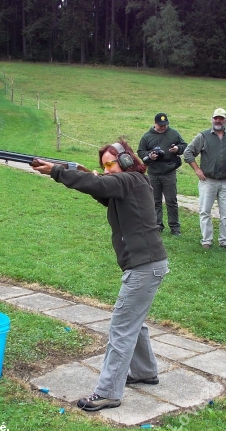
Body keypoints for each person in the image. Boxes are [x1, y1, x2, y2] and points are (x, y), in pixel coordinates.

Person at [32, 140, 169, 411]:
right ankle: (144, 371)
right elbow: (104, 192)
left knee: (121, 328)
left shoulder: (131, 180)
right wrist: (86, 175)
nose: (106, 169)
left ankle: (108, 392)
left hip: (144, 267)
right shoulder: (127, 184)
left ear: (127, 161)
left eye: (110, 163)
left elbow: (102, 185)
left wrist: (59, 172)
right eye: (103, 165)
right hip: (147, 265)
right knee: (133, 323)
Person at [183, 108, 226, 251]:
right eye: (215, 118)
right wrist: (197, 170)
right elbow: (188, 152)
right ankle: (207, 240)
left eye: (221, 118)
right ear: (212, 119)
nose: (218, 121)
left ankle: (225, 241)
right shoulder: (203, 136)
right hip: (208, 180)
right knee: (205, 211)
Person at [137, 113, 187, 236]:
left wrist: (177, 149)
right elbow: (140, 151)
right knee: (155, 201)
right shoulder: (147, 136)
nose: (163, 127)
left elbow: (184, 146)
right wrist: (149, 156)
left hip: (169, 172)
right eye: (160, 125)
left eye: (165, 125)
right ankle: (157, 225)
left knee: (171, 200)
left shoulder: (173, 133)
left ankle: (175, 227)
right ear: (155, 123)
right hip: (153, 172)